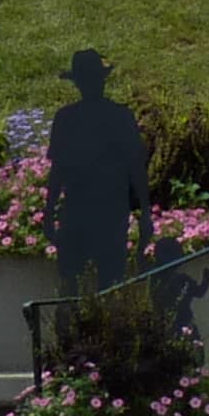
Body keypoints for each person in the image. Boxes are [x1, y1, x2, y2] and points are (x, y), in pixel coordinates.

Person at [45, 49, 148, 300]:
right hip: (107, 214)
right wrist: (145, 212)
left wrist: (48, 212)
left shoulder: (67, 118)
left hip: (82, 213)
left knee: (74, 288)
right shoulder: (120, 117)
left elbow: (57, 171)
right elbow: (136, 169)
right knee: (107, 287)